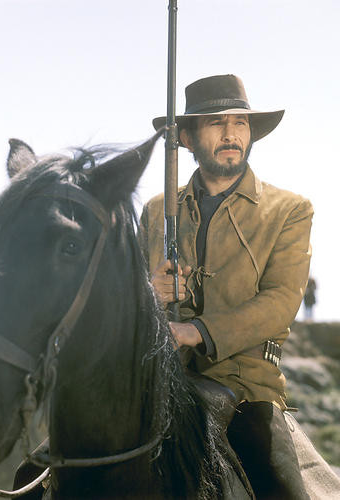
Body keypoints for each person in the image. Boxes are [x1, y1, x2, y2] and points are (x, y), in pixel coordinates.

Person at [140, 75, 313, 499]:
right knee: (43, 469)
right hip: (156, 381)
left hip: (247, 388)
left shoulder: (289, 210)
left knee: (279, 484)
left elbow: (281, 300)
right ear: (186, 138)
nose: (231, 134)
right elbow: (124, 299)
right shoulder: (156, 211)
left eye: (240, 123)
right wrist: (150, 292)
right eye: (216, 123)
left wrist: (197, 331)